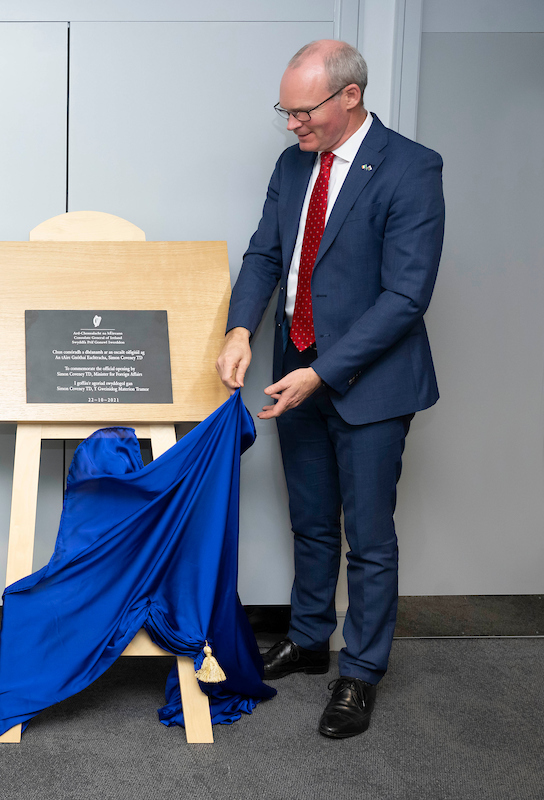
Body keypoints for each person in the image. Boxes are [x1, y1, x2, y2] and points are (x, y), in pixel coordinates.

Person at [216, 40, 444, 738]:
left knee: (368, 538)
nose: (291, 124)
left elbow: (407, 296)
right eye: (284, 110)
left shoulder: (411, 167)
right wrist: (240, 331)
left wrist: (323, 370)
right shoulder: (292, 167)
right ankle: (310, 641)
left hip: (368, 384)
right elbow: (265, 254)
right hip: (294, 369)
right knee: (310, 520)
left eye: (302, 110)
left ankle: (360, 673)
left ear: (350, 96)